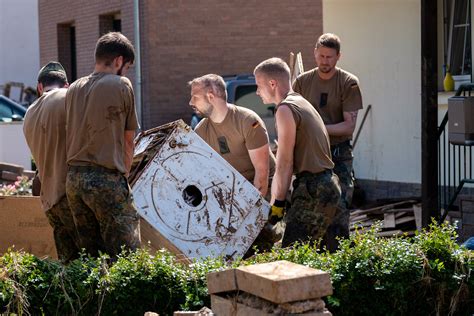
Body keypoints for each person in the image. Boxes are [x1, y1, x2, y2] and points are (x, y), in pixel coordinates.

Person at [65, 32, 140, 258]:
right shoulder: (121, 84)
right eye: (126, 67)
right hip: (106, 179)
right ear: (118, 61)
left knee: (92, 258)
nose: (126, 72)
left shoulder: (74, 88)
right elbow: (129, 140)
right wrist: (124, 178)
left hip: (74, 181)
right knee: (128, 257)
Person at [254, 57, 341, 247]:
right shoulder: (300, 101)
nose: (257, 92)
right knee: (325, 257)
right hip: (327, 184)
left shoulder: (285, 109)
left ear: (272, 83)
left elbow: (284, 164)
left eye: (258, 85)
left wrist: (277, 204)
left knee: (293, 256)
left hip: (314, 188)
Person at [293, 33, 363, 251]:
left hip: (338, 152)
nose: (325, 61)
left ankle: (338, 256)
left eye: (330, 57)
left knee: (339, 205)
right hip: (309, 152)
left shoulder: (348, 82)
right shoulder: (302, 82)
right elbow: (291, 117)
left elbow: (348, 126)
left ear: (338, 57)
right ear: (315, 53)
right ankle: (307, 255)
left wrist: (316, 128)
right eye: (321, 56)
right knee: (306, 202)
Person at [23, 61, 79, 263]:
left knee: (68, 266)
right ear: (67, 85)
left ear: (39, 87)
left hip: (51, 203)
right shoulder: (67, 97)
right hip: (72, 198)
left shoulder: (29, 113)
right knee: (94, 264)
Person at [189, 74, 275, 197]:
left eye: (195, 97)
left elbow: (262, 173)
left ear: (210, 96)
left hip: (266, 188)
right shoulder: (201, 130)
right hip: (234, 192)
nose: (191, 102)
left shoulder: (247, 121)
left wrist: (252, 211)